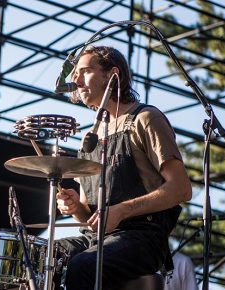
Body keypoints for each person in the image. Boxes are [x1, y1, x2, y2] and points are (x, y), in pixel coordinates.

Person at [55, 46, 192, 290]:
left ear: (112, 75)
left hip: (142, 237)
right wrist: (77, 208)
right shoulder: (90, 136)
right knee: (40, 256)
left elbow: (180, 189)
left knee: (83, 265)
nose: (76, 80)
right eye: (75, 73)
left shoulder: (146, 118)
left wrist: (121, 210)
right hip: (96, 240)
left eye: (85, 71)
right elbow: (90, 219)